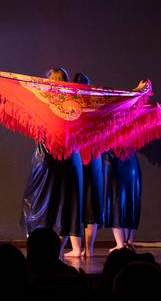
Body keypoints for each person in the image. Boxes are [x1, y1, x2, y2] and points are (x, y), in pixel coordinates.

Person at [20, 68, 83, 257]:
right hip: (69, 160)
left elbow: (15, 94)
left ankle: (42, 253)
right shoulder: (76, 105)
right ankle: (56, 253)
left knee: (38, 204)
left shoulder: (42, 102)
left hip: (47, 160)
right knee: (65, 206)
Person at [74, 72, 105, 257]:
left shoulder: (70, 107)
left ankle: (77, 249)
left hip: (79, 155)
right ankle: (89, 250)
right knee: (91, 201)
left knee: (76, 201)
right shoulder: (97, 105)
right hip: (94, 156)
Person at [104, 151, 142, 250]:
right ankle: (129, 241)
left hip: (116, 159)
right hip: (131, 160)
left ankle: (120, 244)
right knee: (130, 199)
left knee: (116, 199)